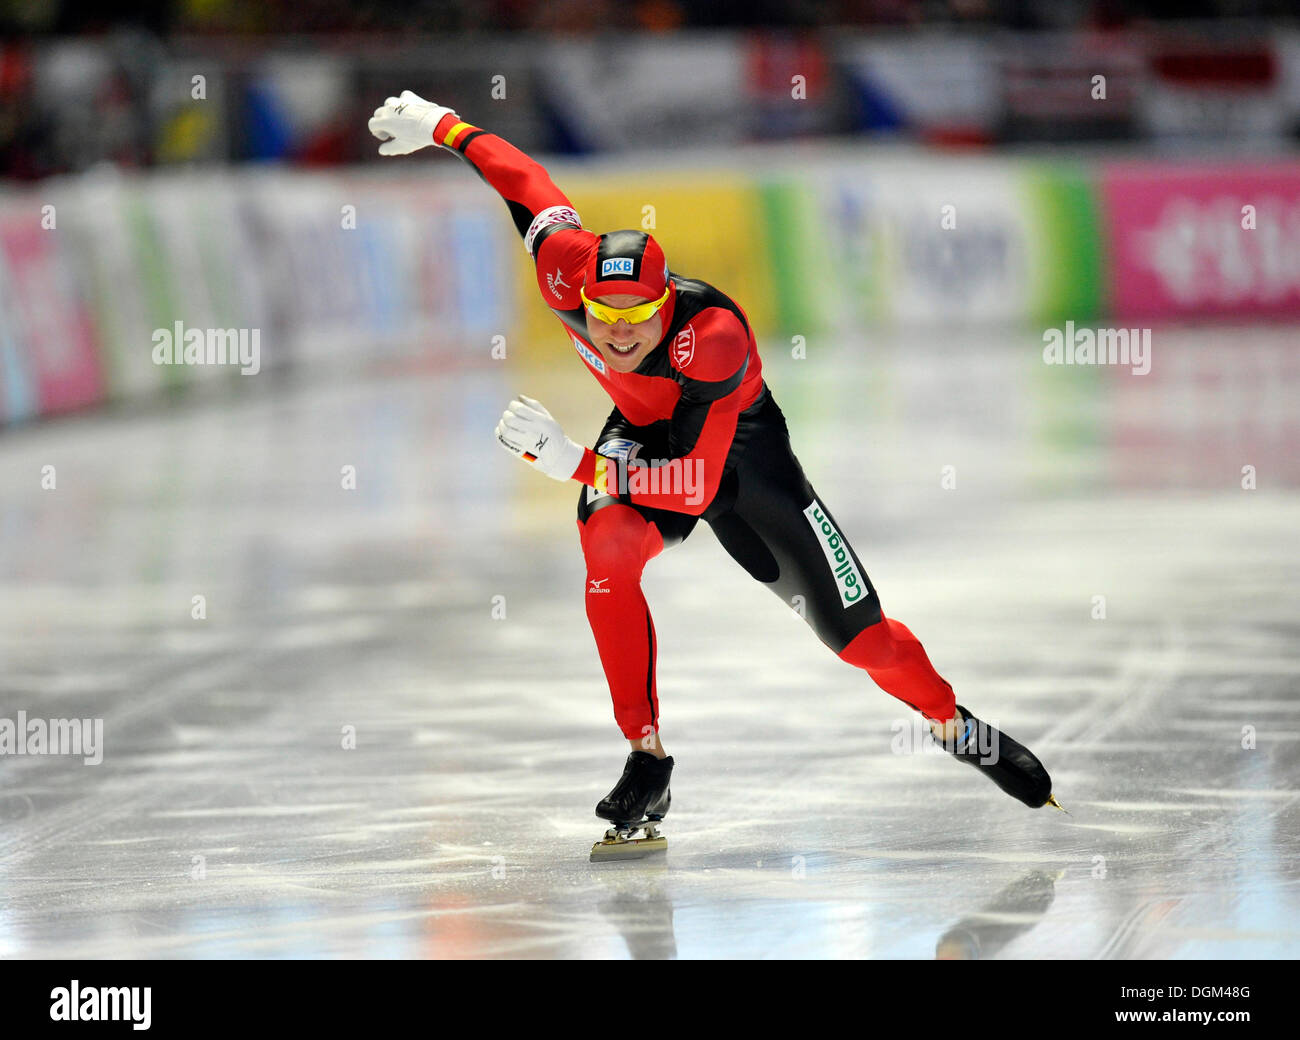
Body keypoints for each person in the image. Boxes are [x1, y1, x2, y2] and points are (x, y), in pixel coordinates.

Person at [368, 92, 1060, 849]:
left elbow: (697, 488)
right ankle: (646, 756)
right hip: (641, 433)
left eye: (637, 320)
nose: (618, 334)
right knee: (607, 548)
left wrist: (571, 461)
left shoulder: (713, 337)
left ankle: (957, 727)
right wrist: (443, 125)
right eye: (604, 317)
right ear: (579, 293)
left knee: (865, 644)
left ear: (666, 304)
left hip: (741, 461)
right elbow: (525, 181)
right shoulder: (565, 271)